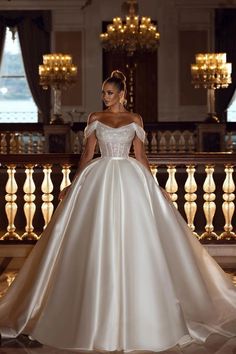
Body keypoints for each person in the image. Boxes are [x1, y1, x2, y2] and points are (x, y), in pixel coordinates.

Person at [0, 70, 236, 353]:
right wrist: (74, 184)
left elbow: (141, 155)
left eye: (110, 93)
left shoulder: (135, 120)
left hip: (130, 178)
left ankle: (144, 314)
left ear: (122, 94)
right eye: (103, 93)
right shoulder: (95, 119)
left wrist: (155, 186)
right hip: (99, 179)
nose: (105, 98)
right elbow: (87, 155)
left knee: (135, 239)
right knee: (94, 239)